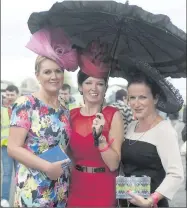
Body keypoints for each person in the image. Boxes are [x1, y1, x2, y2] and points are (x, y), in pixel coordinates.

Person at [7, 28, 78, 207]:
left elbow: (64, 147)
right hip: (34, 190)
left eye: (58, 71)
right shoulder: (26, 104)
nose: (54, 76)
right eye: (47, 72)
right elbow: (13, 148)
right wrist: (46, 167)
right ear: (37, 75)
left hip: (60, 187)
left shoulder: (64, 109)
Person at [67, 40, 124, 207]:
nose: (94, 88)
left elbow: (114, 163)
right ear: (80, 86)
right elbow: (66, 154)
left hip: (104, 188)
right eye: (88, 83)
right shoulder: (71, 116)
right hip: (76, 186)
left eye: (100, 83)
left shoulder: (113, 115)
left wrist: (100, 140)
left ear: (105, 88)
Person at [120, 68, 184, 207]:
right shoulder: (131, 126)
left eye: (142, 97)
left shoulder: (164, 130)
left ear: (155, 98)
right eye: (132, 97)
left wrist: (151, 200)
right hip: (128, 202)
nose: (136, 104)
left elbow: (176, 174)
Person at [1, 85, 19, 207]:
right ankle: (4, 199)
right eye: (7, 95)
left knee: (20, 174)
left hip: (19, 147)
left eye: (12, 95)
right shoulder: (1, 110)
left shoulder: (21, 109)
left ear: (17, 95)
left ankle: (19, 198)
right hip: (5, 146)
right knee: (7, 174)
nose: (9, 97)